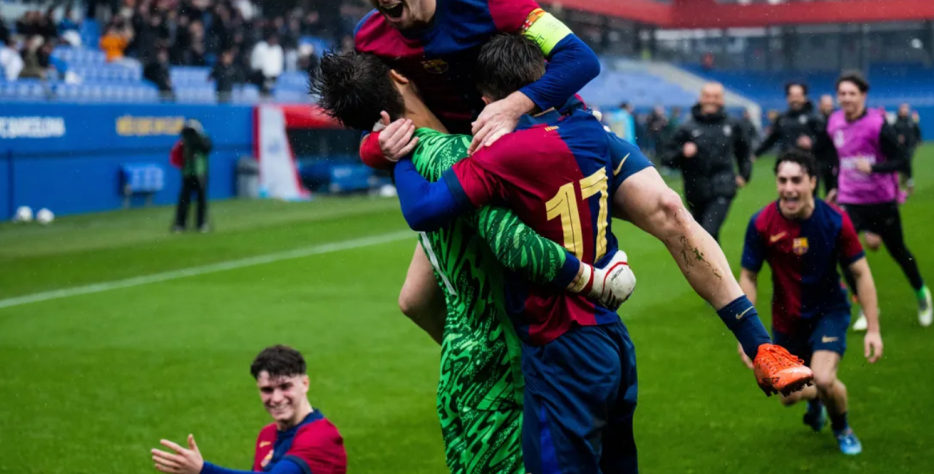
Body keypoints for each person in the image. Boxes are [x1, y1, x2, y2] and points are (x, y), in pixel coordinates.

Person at [312, 43, 813, 474]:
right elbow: (576, 67)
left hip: (498, 363)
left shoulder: (455, 160)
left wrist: (386, 154)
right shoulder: (541, 140)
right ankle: (758, 343)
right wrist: (597, 281)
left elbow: (422, 286)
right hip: (569, 347)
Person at [312, 49, 632, 474]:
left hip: (458, 368)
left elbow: (411, 300)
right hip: (505, 370)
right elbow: (515, 245)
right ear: (399, 77)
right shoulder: (464, 154)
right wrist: (596, 282)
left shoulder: (409, 159)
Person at [347, 0, 601, 168]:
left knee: (641, 198)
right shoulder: (368, 39)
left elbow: (581, 58)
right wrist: (378, 150)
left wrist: (512, 107)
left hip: (550, 130)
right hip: (467, 162)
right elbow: (370, 126)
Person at [739, 150, 882, 455]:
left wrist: (873, 328)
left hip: (829, 312)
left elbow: (861, 273)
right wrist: (745, 335)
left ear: (812, 182)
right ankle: (815, 399)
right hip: (786, 321)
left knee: (825, 378)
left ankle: (842, 427)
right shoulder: (762, 223)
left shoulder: (834, 220)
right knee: (788, 395)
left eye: (796, 180)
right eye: (782, 180)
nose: (788, 188)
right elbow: (748, 276)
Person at [826, 72, 932, 328]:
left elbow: (902, 160)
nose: (847, 98)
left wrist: (874, 169)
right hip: (851, 200)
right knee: (840, 251)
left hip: (881, 201)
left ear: (863, 96)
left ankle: (921, 293)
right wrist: (833, 188)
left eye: (852, 93)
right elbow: (833, 158)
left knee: (898, 251)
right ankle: (864, 306)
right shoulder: (834, 123)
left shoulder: (878, 124)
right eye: (842, 93)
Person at [152, 345, 347, 474]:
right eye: (267, 390)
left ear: (305, 384)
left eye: (285, 387)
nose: (276, 398)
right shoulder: (267, 434)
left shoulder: (321, 436)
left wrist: (203, 470)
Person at [662, 83, 752, 241]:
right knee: (708, 238)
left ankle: (712, 266)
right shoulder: (687, 128)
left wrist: (744, 175)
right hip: (695, 190)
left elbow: (744, 152)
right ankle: (716, 267)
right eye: (707, 96)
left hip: (723, 188)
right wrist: (682, 153)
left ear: (722, 100)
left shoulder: (732, 125)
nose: (711, 100)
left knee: (706, 234)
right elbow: (666, 158)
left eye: (716, 96)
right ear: (700, 98)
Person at [170, 120, 212, 233]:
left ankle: (201, 223)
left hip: (200, 172)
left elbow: (207, 148)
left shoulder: (203, 137)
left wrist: (197, 137)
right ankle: (180, 224)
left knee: (201, 199)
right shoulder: (184, 140)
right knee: (184, 199)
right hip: (188, 172)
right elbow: (177, 154)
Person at [892, 103, 922, 192]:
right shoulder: (896, 121)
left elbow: (917, 131)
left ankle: (909, 183)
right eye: (903, 108)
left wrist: (918, 141)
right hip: (899, 147)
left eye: (906, 109)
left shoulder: (911, 121)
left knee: (907, 162)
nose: (905, 110)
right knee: (902, 164)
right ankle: (905, 179)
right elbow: (891, 133)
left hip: (910, 146)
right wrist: (897, 138)